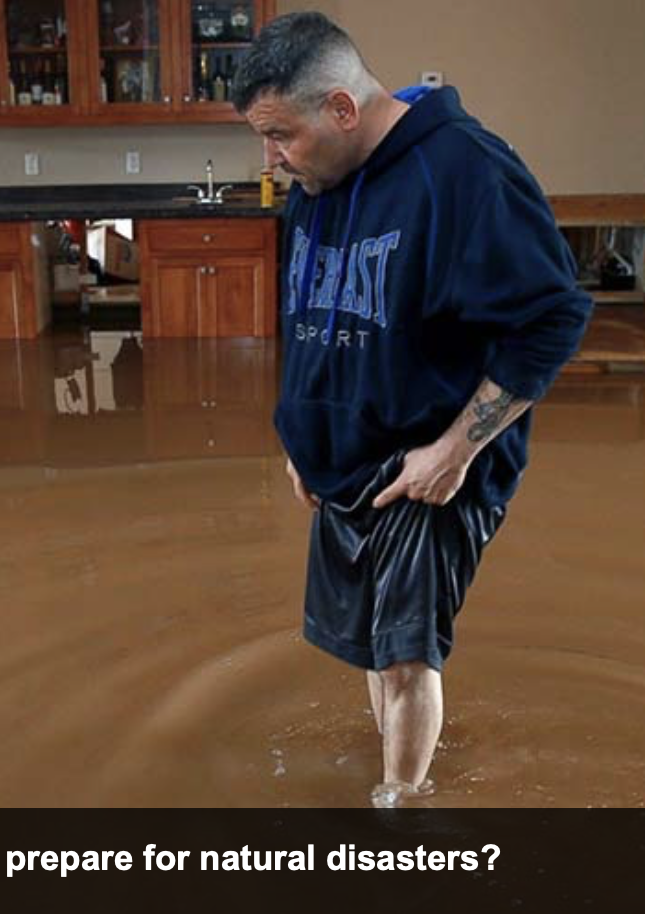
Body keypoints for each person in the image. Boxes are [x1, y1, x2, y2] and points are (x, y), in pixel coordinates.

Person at [230, 12, 593, 806]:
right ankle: (397, 774)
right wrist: (304, 436)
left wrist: (455, 451)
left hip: (426, 466)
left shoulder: (467, 173)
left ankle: (401, 809)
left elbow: (554, 317)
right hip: (345, 465)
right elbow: (318, 318)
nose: (271, 159)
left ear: (342, 110)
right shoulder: (318, 183)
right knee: (371, 649)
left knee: (405, 657)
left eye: (280, 135)